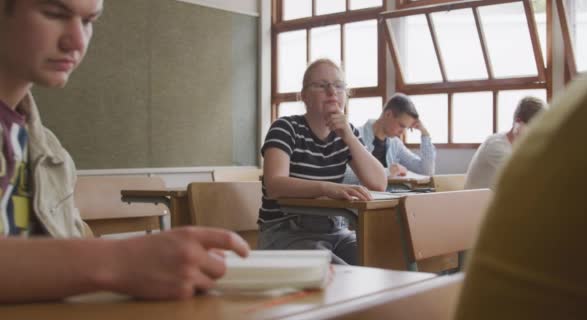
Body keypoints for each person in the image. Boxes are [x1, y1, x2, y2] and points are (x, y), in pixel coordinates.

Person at [0, 0, 249, 303]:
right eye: (54, 14)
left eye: (89, 21)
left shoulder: (51, 153)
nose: (77, 41)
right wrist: (118, 260)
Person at [455, 61, 587, 319]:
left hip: (489, 223)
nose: (534, 134)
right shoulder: (497, 146)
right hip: (473, 224)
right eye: (531, 128)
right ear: (517, 123)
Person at [258, 59, 387, 265]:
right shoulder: (285, 128)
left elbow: (379, 183)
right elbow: (274, 185)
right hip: (285, 231)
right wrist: (327, 188)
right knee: (345, 276)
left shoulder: (348, 133)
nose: (331, 91)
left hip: (336, 229)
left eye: (338, 85)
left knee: (381, 262)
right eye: (321, 85)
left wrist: (349, 137)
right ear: (304, 96)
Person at [343, 93, 436, 185]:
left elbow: (426, 171)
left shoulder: (396, 144)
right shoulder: (354, 136)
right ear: (388, 114)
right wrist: (387, 172)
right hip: (363, 198)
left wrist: (425, 134)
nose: (402, 132)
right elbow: (343, 175)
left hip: (390, 197)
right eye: (401, 126)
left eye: (406, 128)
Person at [464, 96, 546, 189]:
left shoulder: (520, 146)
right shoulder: (496, 145)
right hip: (477, 202)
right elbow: (524, 179)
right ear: (518, 122)